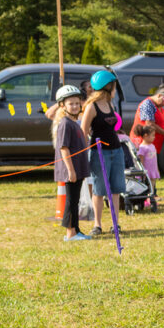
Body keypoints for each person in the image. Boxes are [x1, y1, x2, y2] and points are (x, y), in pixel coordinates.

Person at [80, 70, 126, 237]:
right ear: (108, 87)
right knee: (99, 189)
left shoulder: (110, 104)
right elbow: (83, 131)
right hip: (99, 152)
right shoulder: (91, 107)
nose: (115, 89)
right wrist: (82, 154)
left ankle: (116, 223)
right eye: (114, 86)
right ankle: (97, 225)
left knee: (116, 188)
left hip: (116, 150)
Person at [51, 84, 91, 242]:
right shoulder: (65, 124)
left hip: (78, 168)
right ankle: (70, 233)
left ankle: (76, 230)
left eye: (77, 103)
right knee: (71, 201)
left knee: (75, 201)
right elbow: (64, 148)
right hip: (71, 169)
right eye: (70, 103)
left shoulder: (74, 122)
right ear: (62, 105)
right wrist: (71, 171)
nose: (75, 106)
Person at [130, 84, 164, 156]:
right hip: (142, 143)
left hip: (152, 144)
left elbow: (161, 121)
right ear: (159, 95)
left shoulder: (158, 106)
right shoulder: (147, 105)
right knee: (144, 166)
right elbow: (150, 124)